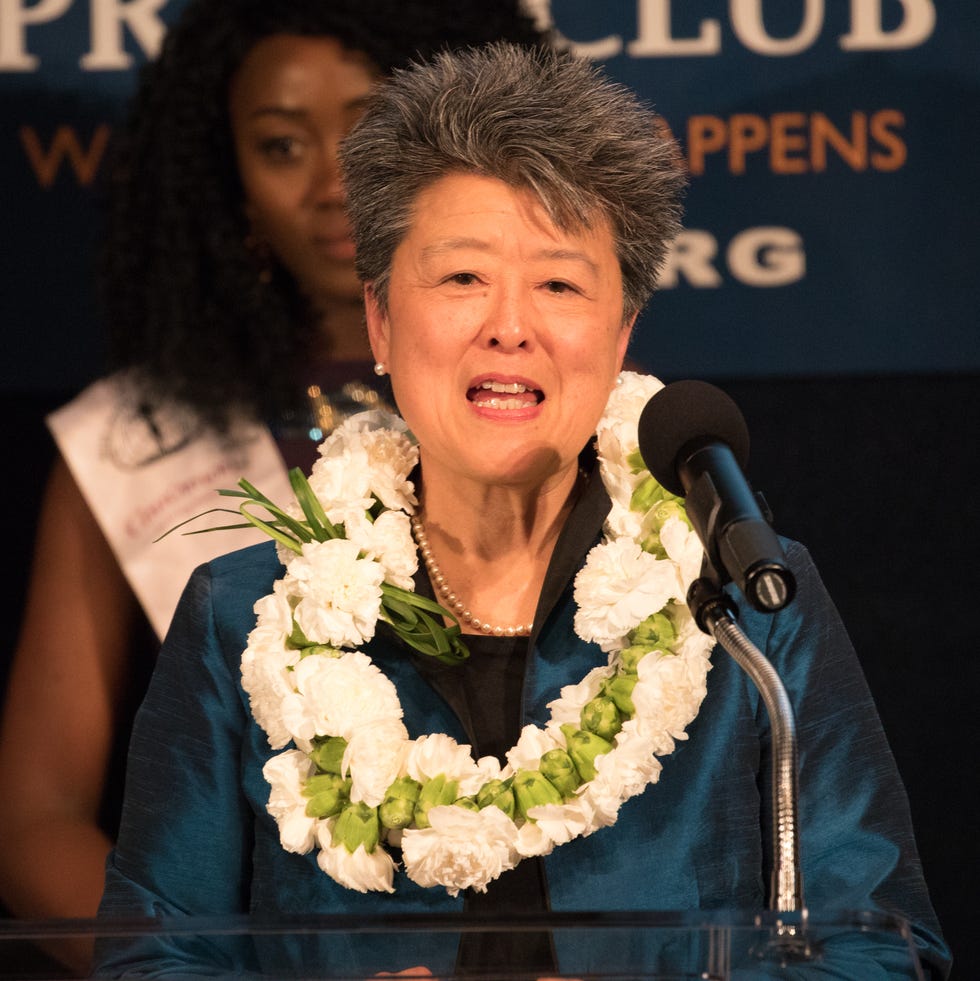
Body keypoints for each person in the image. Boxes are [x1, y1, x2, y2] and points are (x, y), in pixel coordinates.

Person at [94, 42, 950, 979]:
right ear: (381, 321)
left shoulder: (743, 598)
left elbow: (877, 945)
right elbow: (150, 957)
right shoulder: (243, 615)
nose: (510, 324)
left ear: (621, 333)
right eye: (462, 278)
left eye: (560, 283)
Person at [0, 1, 549, 972]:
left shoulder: (552, 395)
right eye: (281, 145)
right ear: (230, 184)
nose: (336, 183)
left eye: (373, 126)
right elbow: (33, 819)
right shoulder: (135, 443)